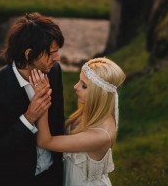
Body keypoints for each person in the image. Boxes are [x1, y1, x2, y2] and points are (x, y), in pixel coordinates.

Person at [0, 12, 65, 186]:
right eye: (51, 53)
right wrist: (29, 117)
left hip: (52, 177)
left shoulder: (54, 72)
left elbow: (58, 124)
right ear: (29, 54)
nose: (57, 58)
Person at [30, 57, 126, 186]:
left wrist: (42, 98)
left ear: (97, 94)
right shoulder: (92, 110)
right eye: (79, 81)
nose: (76, 87)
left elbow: (44, 141)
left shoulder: (101, 136)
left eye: (84, 85)